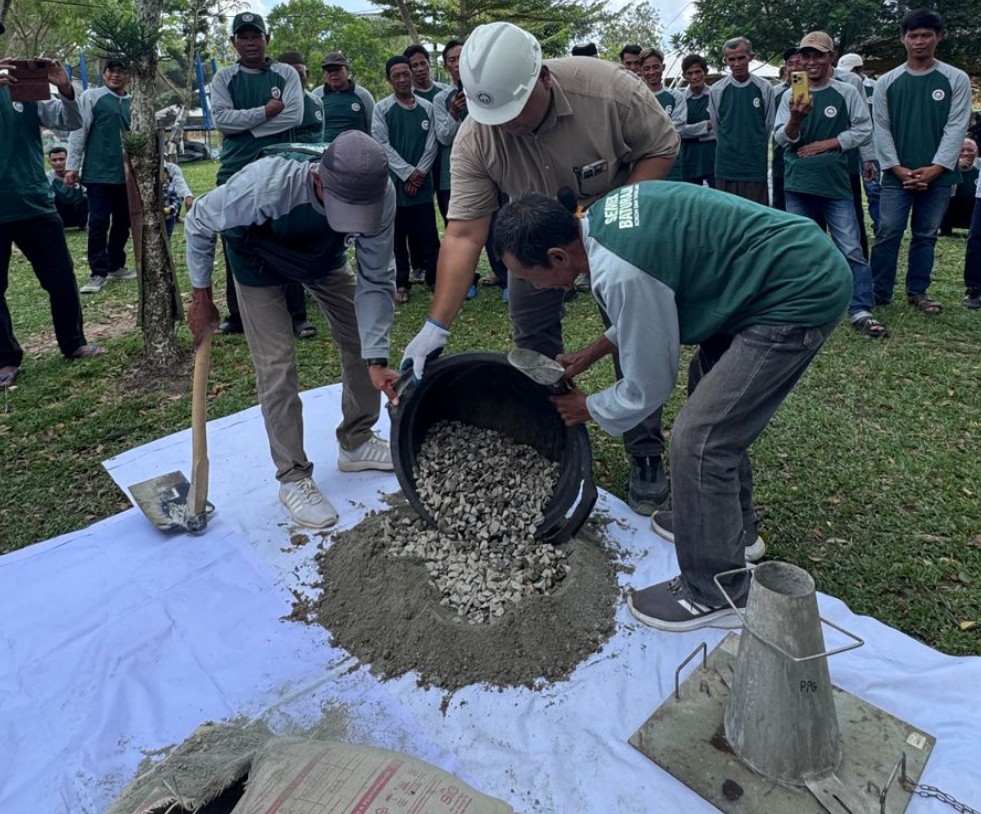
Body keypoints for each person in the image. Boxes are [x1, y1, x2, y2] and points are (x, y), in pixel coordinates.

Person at [492, 184, 850, 631]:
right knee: (708, 388)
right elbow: (651, 302)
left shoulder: (619, 271)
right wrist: (593, 353)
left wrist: (589, 407)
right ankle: (734, 533)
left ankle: (713, 592)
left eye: (529, 276)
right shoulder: (600, 222)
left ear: (559, 257)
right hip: (771, 271)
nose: (532, 286)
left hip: (795, 292)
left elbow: (649, 384)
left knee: (701, 439)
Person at [399, 22, 680, 516]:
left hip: (615, 238)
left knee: (632, 335)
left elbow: (660, 148)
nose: (507, 125)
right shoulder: (476, 139)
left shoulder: (609, 90)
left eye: (515, 112)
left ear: (542, 77)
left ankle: (646, 452)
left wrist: (614, 226)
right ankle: (546, 431)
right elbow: (464, 233)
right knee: (531, 338)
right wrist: (435, 324)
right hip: (533, 246)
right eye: (494, 116)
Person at [184, 131, 399, 529]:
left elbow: (377, 279)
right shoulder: (265, 184)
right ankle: (293, 477)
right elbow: (198, 219)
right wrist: (201, 295)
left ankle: (356, 440)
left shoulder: (381, 194)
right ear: (320, 180)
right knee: (277, 364)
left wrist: (376, 356)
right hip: (258, 260)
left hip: (321, 259)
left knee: (362, 341)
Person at [1, 57, 105, 391]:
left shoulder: (21, 86)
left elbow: (68, 121)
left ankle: (74, 342)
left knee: (60, 278)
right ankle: (5, 358)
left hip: (33, 200)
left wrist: (64, 88)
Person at [775, 31, 884, 338]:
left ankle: (860, 307)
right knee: (801, 248)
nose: (811, 62)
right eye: (806, 55)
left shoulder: (846, 91)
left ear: (831, 57)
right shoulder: (790, 95)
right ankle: (802, 305)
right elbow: (781, 140)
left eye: (818, 55)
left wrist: (830, 143)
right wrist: (795, 120)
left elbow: (864, 129)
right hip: (798, 182)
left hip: (835, 184)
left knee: (849, 245)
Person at [870, 8, 971, 314]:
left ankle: (918, 291)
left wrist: (937, 168)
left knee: (926, 235)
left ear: (938, 37)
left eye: (926, 35)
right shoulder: (887, 81)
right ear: (903, 39)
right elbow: (881, 128)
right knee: (887, 231)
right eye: (913, 35)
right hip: (895, 175)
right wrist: (898, 169)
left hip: (939, 175)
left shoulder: (956, 78)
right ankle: (879, 291)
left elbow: (957, 127)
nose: (919, 41)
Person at [210, 12, 305, 336]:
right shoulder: (225, 78)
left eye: (256, 36)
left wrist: (247, 130)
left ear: (267, 39)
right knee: (235, 235)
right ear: (234, 42)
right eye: (243, 37)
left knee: (285, 234)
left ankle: (297, 314)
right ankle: (237, 315)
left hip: (278, 165)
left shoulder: (285, 74)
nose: (250, 42)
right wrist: (264, 112)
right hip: (235, 167)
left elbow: (293, 115)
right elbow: (222, 121)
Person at [432, 39, 509, 299]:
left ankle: (505, 277)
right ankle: (468, 280)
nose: (456, 64)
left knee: (498, 225)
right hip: (453, 176)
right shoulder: (441, 99)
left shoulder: (489, 89)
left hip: (494, 171)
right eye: (451, 60)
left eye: (461, 58)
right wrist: (453, 112)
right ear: (446, 66)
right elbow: (443, 137)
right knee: (460, 230)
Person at [373, 55, 440, 305]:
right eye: (396, 75)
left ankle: (434, 279)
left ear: (412, 74)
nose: (402, 79)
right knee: (397, 237)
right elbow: (382, 145)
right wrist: (407, 173)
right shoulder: (382, 109)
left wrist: (419, 173)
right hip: (396, 185)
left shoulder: (427, 108)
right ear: (389, 79)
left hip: (422, 185)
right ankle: (401, 282)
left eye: (406, 73)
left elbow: (432, 144)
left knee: (428, 234)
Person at [66, 57, 135, 294]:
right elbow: (78, 130)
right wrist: (71, 166)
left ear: (129, 75)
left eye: (121, 70)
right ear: (104, 74)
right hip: (98, 173)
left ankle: (116, 264)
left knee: (124, 222)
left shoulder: (135, 102)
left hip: (126, 174)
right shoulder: (91, 97)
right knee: (97, 223)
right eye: (111, 70)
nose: (116, 75)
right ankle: (98, 272)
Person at [709, 37, 776, 205]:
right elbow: (717, 126)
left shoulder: (764, 87)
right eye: (731, 59)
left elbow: (768, 125)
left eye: (741, 58)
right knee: (727, 214)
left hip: (755, 165)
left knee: (756, 214)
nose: (736, 63)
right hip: (726, 165)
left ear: (751, 57)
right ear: (726, 61)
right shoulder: (717, 89)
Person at [838, 52, 881, 234]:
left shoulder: (876, 88)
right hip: (850, 146)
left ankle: (879, 224)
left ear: (859, 69)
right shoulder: (843, 87)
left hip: (873, 145)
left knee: (874, 188)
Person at [639, 48, 686, 182]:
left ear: (663, 67)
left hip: (673, 164)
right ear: (641, 71)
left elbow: (678, 129)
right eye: (647, 68)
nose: (652, 72)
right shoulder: (636, 97)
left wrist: (649, 132)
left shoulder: (676, 96)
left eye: (656, 67)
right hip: (643, 165)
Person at [314, 51, 375, 142]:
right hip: (324, 151)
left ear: (347, 71)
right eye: (329, 71)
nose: (333, 74)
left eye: (337, 69)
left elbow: (373, 128)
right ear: (324, 74)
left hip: (357, 150)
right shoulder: (316, 95)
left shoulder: (363, 95)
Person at [771, 47, 801, 211]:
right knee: (781, 208)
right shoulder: (774, 93)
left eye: (798, 63)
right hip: (781, 161)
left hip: (806, 161)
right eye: (790, 64)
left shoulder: (817, 90)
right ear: (785, 68)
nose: (795, 67)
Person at [679, 54, 715, 188]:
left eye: (698, 72)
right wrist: (707, 125)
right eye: (690, 73)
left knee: (719, 200)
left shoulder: (715, 95)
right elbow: (679, 131)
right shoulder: (681, 99)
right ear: (684, 76)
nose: (694, 77)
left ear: (705, 72)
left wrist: (692, 132)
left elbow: (721, 127)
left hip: (714, 157)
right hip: (690, 159)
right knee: (692, 201)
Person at [277, 51, 325, 143]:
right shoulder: (271, 102)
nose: (295, 80)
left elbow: (321, 133)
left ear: (307, 74)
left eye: (299, 74)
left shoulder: (316, 102)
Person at [939, 137, 979, 234]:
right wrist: (956, 168)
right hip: (952, 209)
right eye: (961, 150)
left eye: (970, 150)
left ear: (977, 153)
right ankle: (944, 228)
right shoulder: (945, 166)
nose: (966, 154)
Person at [47, 145, 88, 229]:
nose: (58, 163)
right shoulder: (48, 177)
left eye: (61, 159)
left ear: (68, 159)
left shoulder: (80, 174)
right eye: (54, 160)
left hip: (78, 213)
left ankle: (84, 225)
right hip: (59, 215)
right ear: (49, 162)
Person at [162, 161, 194, 238]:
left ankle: (176, 217)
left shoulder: (173, 168)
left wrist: (188, 196)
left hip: (168, 215)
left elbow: (180, 184)